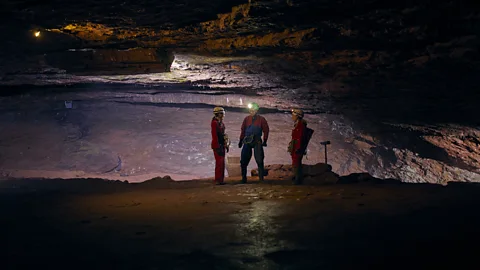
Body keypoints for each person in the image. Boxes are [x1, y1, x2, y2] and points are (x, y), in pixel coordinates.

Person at [238, 102, 269, 183]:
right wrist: (241, 140)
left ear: (256, 110)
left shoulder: (261, 119)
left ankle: (261, 179)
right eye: (250, 110)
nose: (251, 112)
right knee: (244, 160)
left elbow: (266, 130)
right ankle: (244, 178)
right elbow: (243, 130)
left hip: (257, 140)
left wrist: (265, 140)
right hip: (247, 140)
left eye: (253, 110)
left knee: (259, 160)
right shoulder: (246, 119)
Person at [288, 108, 307, 185]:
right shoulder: (298, 124)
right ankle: (297, 179)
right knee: (296, 162)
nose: (292, 117)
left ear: (297, 116)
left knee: (296, 163)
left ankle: (298, 180)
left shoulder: (300, 125)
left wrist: (297, 148)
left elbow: (299, 137)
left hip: (297, 147)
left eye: (293, 115)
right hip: (296, 146)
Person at [211, 107, 229, 185]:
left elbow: (223, 135)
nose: (223, 115)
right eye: (222, 113)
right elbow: (214, 135)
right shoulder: (215, 123)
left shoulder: (221, 123)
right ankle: (218, 180)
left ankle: (221, 180)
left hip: (221, 145)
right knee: (219, 163)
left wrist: (226, 144)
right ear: (219, 114)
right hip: (218, 146)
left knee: (222, 163)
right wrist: (217, 146)